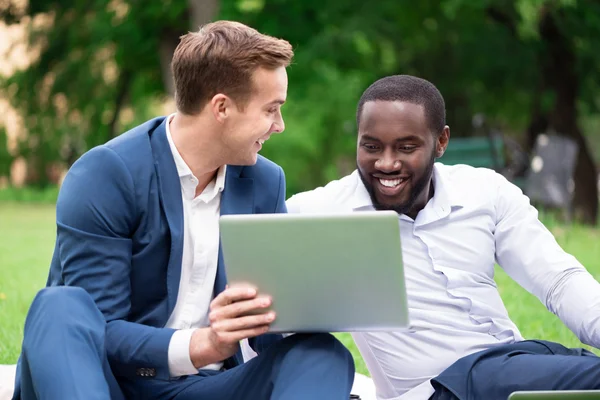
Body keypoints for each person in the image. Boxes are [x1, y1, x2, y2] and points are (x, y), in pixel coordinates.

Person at [13, 21, 355, 400]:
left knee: (323, 355)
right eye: (271, 110)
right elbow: (98, 329)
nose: (280, 125)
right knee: (59, 306)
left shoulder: (264, 181)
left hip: (208, 388)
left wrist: (308, 308)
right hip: (109, 386)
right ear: (221, 107)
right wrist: (204, 344)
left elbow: (265, 328)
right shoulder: (106, 174)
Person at [286, 75, 600, 400]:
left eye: (407, 148)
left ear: (441, 141)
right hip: (442, 388)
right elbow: (255, 303)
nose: (387, 163)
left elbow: (559, 281)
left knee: (583, 371)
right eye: (371, 147)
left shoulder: (485, 191)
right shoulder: (316, 212)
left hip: (514, 364)